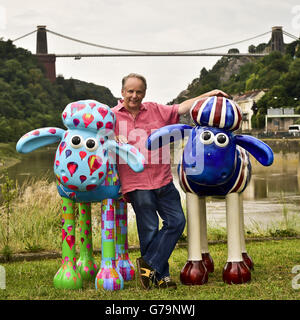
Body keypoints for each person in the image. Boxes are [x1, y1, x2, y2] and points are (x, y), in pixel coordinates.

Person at [111, 73, 229, 290]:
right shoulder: (110, 117)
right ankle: (161, 277)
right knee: (149, 229)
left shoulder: (156, 109)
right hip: (136, 182)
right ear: (122, 92)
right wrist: (111, 137)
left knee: (177, 222)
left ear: (144, 93)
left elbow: (181, 108)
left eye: (139, 92)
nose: (134, 96)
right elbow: (99, 140)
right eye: (130, 91)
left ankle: (149, 266)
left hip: (163, 179)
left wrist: (210, 94)